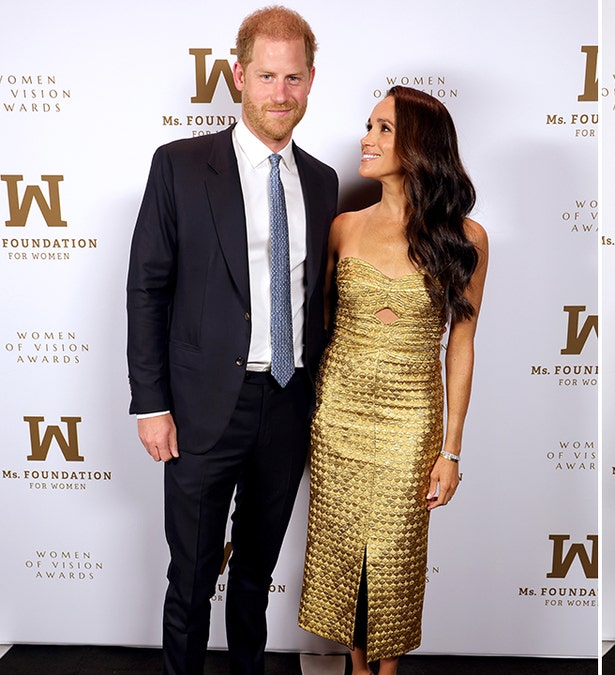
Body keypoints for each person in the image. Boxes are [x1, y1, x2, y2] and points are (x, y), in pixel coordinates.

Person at [126, 6, 338, 674]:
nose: (282, 93)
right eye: (268, 76)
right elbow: (147, 289)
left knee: (255, 576)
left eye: (294, 78)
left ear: (309, 81)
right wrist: (150, 402)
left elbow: (318, 301)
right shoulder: (181, 166)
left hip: (287, 403)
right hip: (199, 408)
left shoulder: (325, 181)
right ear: (239, 77)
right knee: (190, 578)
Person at [297, 85, 488, 675]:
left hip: (412, 415)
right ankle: (357, 666)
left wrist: (451, 448)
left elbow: (461, 344)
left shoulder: (465, 238)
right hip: (339, 410)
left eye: (383, 128)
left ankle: (389, 669)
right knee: (343, 550)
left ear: (418, 146)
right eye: (369, 125)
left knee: (394, 554)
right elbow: (319, 330)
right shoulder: (343, 228)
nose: (367, 137)